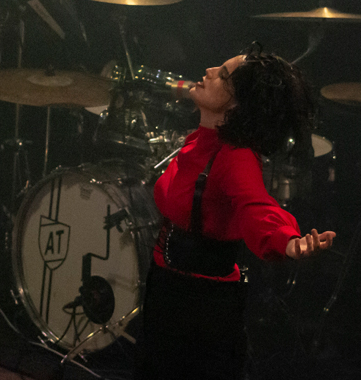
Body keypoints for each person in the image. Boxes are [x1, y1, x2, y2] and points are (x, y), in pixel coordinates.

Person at [135, 48, 336, 380]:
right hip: (166, 290)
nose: (210, 70)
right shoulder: (199, 141)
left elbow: (256, 206)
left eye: (224, 75)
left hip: (201, 309)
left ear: (239, 104)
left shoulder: (235, 156)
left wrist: (289, 242)